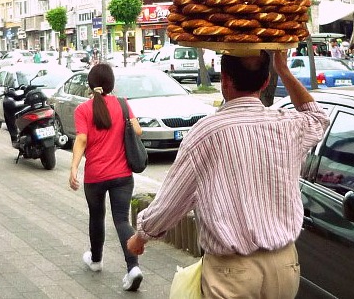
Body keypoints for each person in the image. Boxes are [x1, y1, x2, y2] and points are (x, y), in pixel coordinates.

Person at [127, 51, 330, 298]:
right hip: (284, 267)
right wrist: (284, 70)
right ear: (266, 81)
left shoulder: (205, 133)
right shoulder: (287, 124)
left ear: (224, 79)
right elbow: (318, 116)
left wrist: (141, 236)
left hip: (233, 274)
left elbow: (172, 201)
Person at [68, 63, 144, 292]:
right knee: (121, 220)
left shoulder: (83, 110)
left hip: (95, 176)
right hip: (122, 175)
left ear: (90, 85)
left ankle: (96, 260)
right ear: (111, 83)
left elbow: (81, 139)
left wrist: (73, 169)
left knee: (96, 216)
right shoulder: (122, 105)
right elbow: (138, 130)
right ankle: (133, 268)